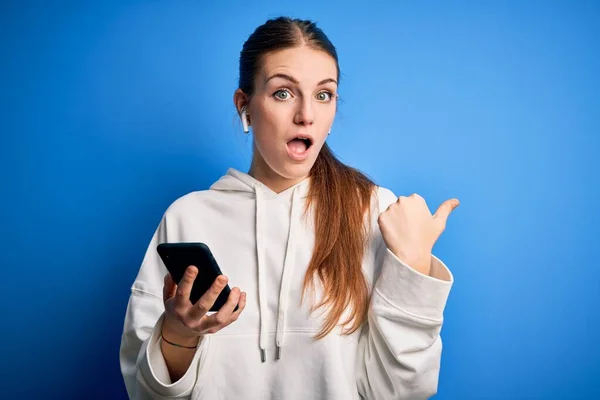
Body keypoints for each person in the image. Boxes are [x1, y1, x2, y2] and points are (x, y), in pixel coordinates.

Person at [119, 16, 459, 400]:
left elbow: (404, 390)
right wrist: (178, 335)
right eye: (283, 93)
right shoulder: (188, 217)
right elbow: (144, 392)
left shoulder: (373, 212)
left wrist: (413, 267)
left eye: (323, 94)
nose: (306, 115)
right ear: (244, 106)